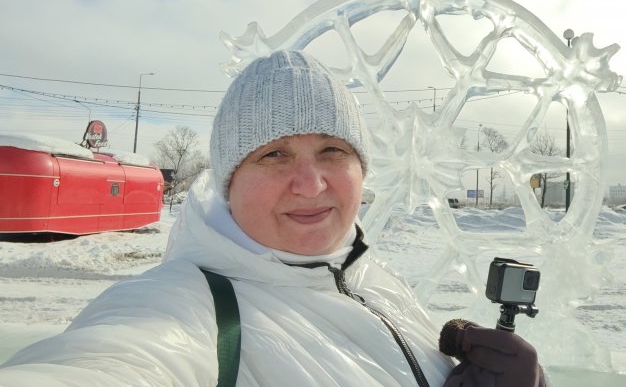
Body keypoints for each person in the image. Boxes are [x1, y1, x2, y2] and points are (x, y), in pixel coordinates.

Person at [0, 50, 544, 386]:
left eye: (333, 150)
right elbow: (110, 362)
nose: (311, 184)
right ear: (230, 181)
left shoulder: (373, 280)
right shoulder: (191, 309)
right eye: (273, 155)